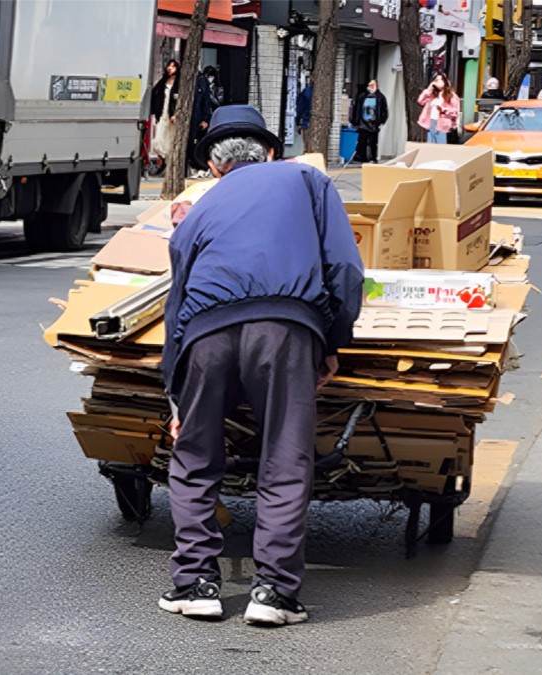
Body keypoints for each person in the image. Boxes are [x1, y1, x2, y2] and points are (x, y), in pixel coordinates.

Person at [159, 105, 364, 626]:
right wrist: (333, 339)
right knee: (285, 458)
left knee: (195, 458)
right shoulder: (308, 179)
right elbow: (343, 267)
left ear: (213, 164)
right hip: (286, 327)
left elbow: (176, 301)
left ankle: (195, 584)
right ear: (270, 151)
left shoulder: (198, 207)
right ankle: (273, 594)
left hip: (205, 331)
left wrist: (176, 393)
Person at [150, 59, 180, 173]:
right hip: (162, 115)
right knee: (158, 141)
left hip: (172, 116)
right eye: (169, 65)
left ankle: (169, 165)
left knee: (170, 140)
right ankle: (164, 162)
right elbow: (154, 94)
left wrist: (176, 113)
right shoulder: (163, 82)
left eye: (173, 66)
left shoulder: (179, 83)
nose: (170, 68)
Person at [349, 80, 388, 162]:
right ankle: (362, 158)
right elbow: (357, 108)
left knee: (373, 143)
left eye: (373, 85)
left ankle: (373, 158)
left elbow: (384, 110)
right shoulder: (362, 96)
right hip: (363, 123)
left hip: (374, 124)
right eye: (369, 85)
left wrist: (381, 121)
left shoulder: (380, 97)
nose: (371, 86)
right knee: (362, 142)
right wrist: (355, 120)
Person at [186, 70, 216, 176]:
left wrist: (206, 119)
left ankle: (195, 166)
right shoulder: (183, 80)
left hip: (197, 118)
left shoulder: (202, 81)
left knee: (194, 142)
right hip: (186, 117)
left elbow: (206, 102)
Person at [417, 72, 459, 144]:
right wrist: (429, 89)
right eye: (436, 80)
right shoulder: (432, 94)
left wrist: (443, 109)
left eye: (440, 80)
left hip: (443, 124)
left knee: (440, 144)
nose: (438, 82)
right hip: (431, 121)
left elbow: (455, 111)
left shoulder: (451, 95)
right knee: (431, 143)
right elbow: (420, 101)